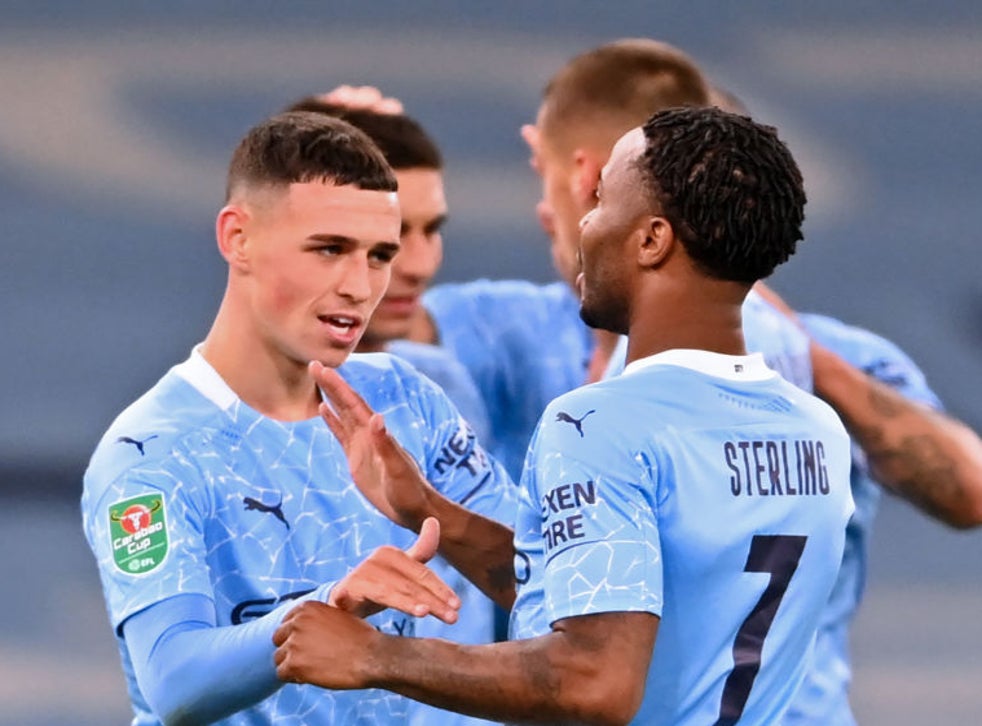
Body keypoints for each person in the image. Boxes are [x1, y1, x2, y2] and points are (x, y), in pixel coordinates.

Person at [273, 106, 855, 725]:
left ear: (652, 239)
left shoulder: (600, 423)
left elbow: (595, 680)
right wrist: (430, 509)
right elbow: (611, 605)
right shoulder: (816, 429)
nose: (584, 226)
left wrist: (378, 656)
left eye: (602, 200)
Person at [80, 111, 514, 725]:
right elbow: (174, 679)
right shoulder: (150, 452)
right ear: (238, 238)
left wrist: (431, 510)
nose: (360, 287)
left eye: (377, 255)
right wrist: (333, 603)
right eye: (330, 249)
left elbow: (551, 583)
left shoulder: (404, 400)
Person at [410, 39, 813, 480]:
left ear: (585, 177)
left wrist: (431, 512)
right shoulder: (802, 401)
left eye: (545, 174)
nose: (551, 213)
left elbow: (591, 545)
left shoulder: (626, 402)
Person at [282, 94, 504, 726]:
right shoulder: (215, 421)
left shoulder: (442, 383)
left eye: (431, 231)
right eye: (389, 241)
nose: (420, 264)